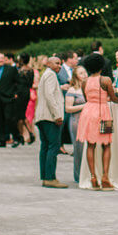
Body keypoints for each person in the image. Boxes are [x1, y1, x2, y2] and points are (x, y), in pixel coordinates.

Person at [77, 53, 118, 190]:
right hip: (103, 113)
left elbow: (86, 98)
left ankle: (93, 177)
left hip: (88, 113)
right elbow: (113, 97)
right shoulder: (106, 80)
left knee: (90, 145)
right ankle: (105, 177)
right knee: (106, 144)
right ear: (101, 65)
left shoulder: (84, 82)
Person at [35, 55, 67, 188]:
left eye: (60, 64)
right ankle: (50, 177)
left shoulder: (46, 75)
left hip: (42, 116)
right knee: (53, 146)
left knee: (45, 146)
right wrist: (57, 115)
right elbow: (49, 95)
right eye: (57, 63)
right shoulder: (51, 75)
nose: (59, 66)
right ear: (48, 64)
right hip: (49, 117)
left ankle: (45, 176)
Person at [0, 53, 20, 147]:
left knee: (9, 119)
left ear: (5, 59)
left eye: (2, 58)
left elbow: (18, 82)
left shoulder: (11, 69)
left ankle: (16, 138)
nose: (0, 60)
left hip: (8, 98)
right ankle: (1, 140)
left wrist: (16, 93)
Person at [65, 66, 88, 183]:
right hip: (76, 121)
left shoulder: (89, 88)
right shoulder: (72, 90)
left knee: (89, 148)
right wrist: (83, 106)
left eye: (85, 72)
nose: (84, 75)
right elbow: (68, 108)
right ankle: (78, 175)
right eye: (81, 73)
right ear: (76, 76)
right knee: (79, 148)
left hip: (88, 121)